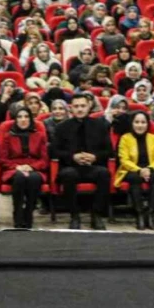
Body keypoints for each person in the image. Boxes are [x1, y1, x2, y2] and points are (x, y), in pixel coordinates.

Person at [52, 92, 113, 230]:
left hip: (93, 166)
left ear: (89, 106)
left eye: (83, 106)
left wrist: (94, 157)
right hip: (70, 166)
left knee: (104, 174)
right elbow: (55, 151)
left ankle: (96, 215)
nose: (80, 109)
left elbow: (109, 151)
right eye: (76, 106)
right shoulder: (62, 127)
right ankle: (74, 216)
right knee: (69, 175)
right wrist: (73, 157)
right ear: (71, 108)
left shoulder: (100, 125)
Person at [0, 107, 48, 229]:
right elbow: (3, 159)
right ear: (15, 120)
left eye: (26, 117)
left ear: (31, 119)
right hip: (14, 169)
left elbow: (44, 159)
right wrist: (18, 167)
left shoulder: (39, 135)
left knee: (34, 179)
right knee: (20, 178)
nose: (23, 120)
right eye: (20, 117)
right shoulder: (7, 136)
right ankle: (18, 213)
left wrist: (31, 167)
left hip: (34, 169)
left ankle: (29, 212)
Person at [116, 111, 154, 230]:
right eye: (137, 122)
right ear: (132, 124)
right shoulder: (125, 138)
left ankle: (150, 213)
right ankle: (140, 214)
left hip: (151, 168)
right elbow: (124, 160)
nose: (140, 125)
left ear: (147, 124)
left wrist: (149, 168)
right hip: (131, 169)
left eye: (143, 122)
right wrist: (140, 170)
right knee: (135, 177)